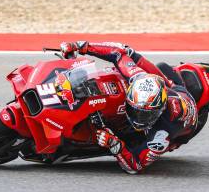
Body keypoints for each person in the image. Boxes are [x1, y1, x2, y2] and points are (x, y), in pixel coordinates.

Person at [57, 41, 199, 174]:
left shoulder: (162, 133)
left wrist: (114, 144)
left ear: (159, 111)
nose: (136, 116)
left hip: (183, 125)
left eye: (144, 115)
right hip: (172, 88)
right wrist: (82, 46)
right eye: (134, 109)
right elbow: (119, 52)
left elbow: (135, 166)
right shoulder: (138, 78)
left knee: (132, 141)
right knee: (135, 57)